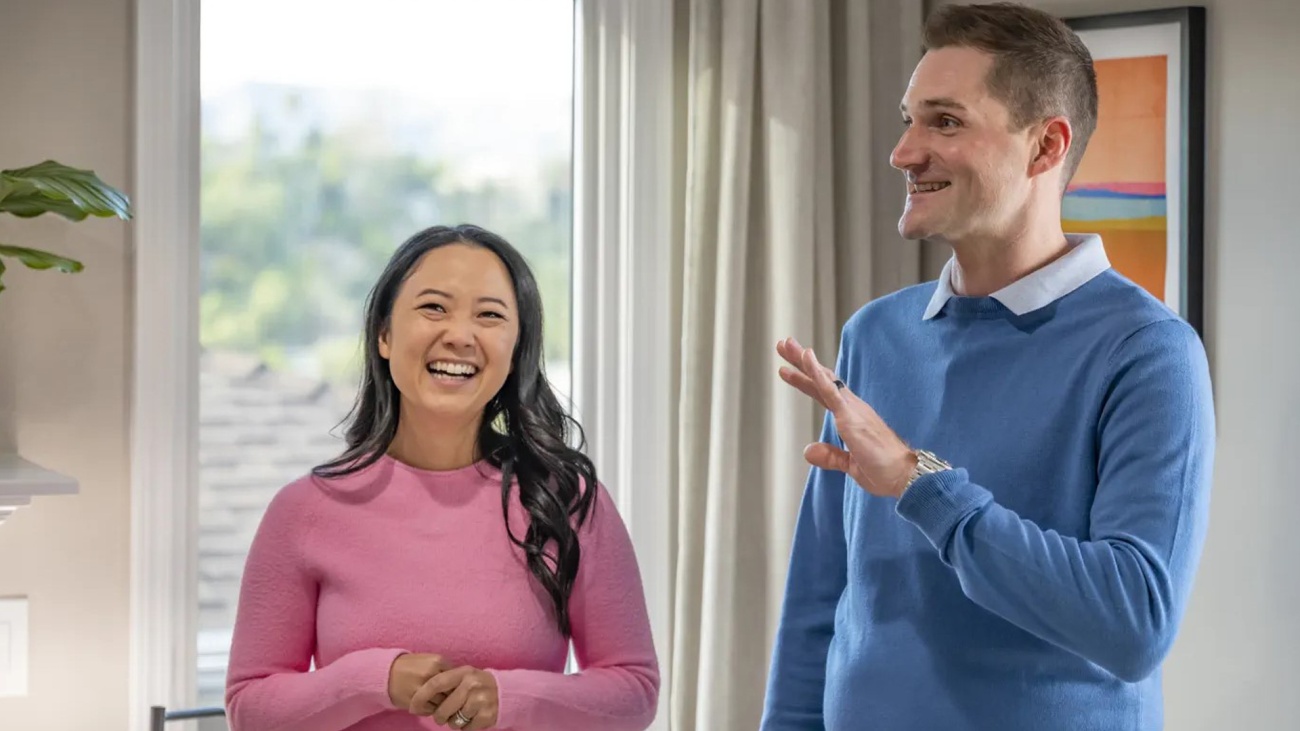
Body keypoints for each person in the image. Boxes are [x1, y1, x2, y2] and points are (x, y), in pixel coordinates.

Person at [761, 3, 1214, 730]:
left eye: (945, 122)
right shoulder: (875, 335)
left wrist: (919, 483)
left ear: (1045, 147)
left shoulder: (1148, 351)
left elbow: (1134, 622)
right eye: (908, 121)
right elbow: (821, 599)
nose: (903, 152)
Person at [224, 224, 660, 731]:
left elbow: (634, 692)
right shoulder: (304, 510)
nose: (459, 335)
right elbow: (250, 708)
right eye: (434, 307)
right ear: (384, 335)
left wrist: (506, 697)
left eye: (489, 315)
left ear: (516, 348)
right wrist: (375, 680)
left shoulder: (567, 500)